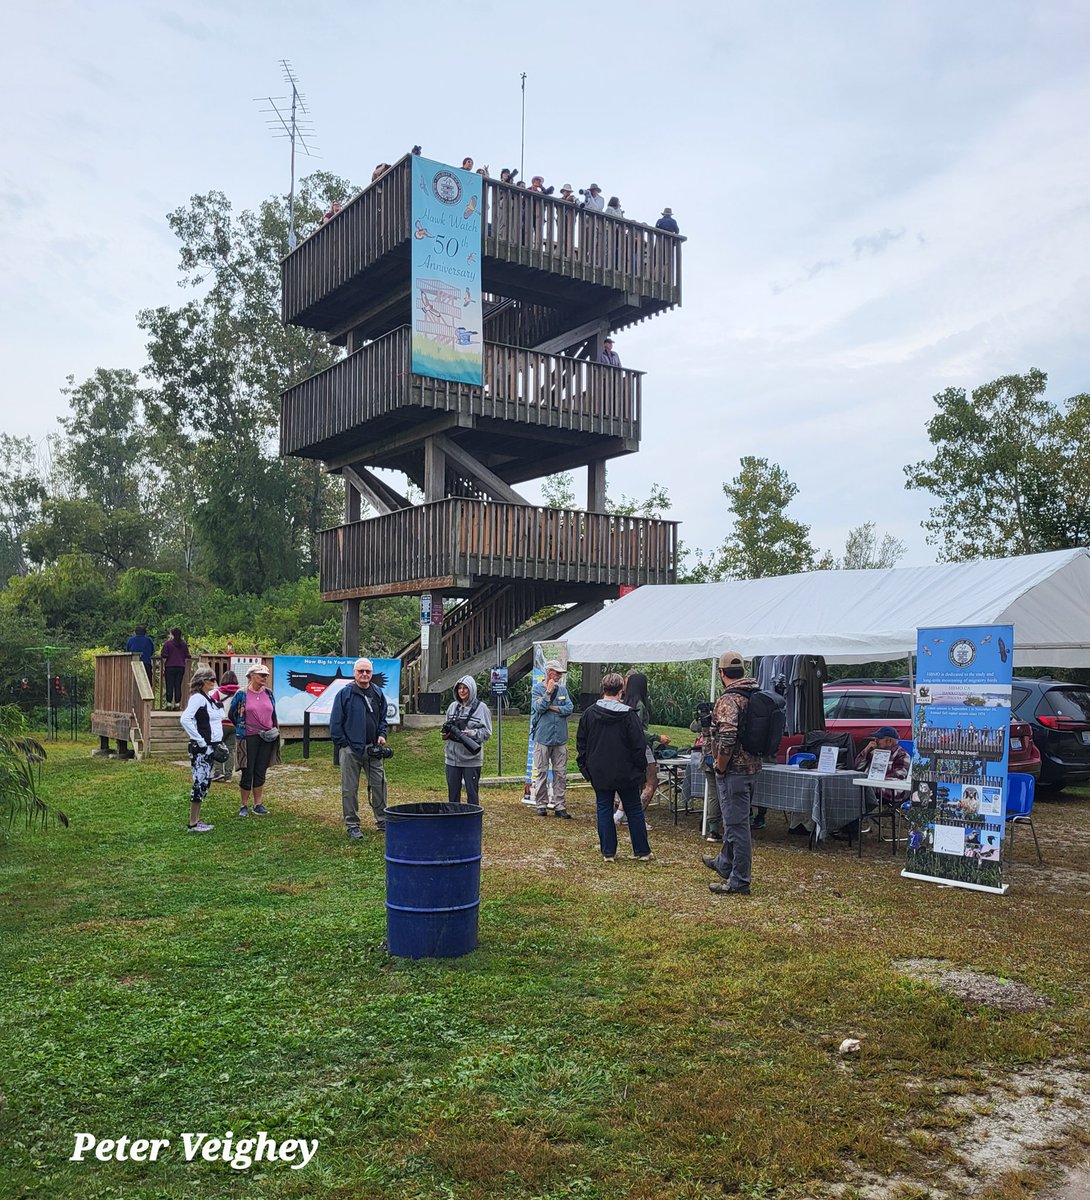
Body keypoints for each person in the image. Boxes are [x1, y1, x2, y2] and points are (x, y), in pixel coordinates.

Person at [701, 650, 761, 896]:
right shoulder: (753, 694)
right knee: (736, 820)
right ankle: (725, 862)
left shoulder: (729, 699)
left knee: (737, 825)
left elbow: (727, 737)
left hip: (734, 769)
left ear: (722, 672)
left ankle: (739, 880)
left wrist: (720, 765)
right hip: (752, 765)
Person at [577, 673, 653, 862]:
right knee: (634, 809)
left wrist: (585, 768)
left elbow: (581, 743)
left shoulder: (589, 714)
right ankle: (642, 851)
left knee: (603, 808)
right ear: (622, 690)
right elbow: (639, 745)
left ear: (603, 688)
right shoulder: (629, 715)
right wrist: (640, 768)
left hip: (599, 771)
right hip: (627, 771)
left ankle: (608, 852)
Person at [329, 658, 389, 839]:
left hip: (373, 749)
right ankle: (352, 824)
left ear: (372, 673)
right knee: (349, 788)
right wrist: (344, 744)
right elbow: (335, 722)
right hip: (350, 750)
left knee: (380, 785)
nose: (364, 674)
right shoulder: (344, 694)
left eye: (367, 671)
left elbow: (383, 718)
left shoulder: (377, 693)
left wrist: (382, 734)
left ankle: (383, 821)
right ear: (354, 673)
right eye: (360, 671)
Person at [837, 725, 912, 841]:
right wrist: (866, 751)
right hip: (872, 787)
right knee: (848, 790)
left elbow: (899, 776)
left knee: (856, 793)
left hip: (891, 791)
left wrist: (876, 779)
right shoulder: (874, 752)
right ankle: (846, 827)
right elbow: (857, 767)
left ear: (889, 741)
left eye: (879, 739)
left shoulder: (902, 755)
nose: (875, 741)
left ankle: (851, 830)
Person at [227, 665, 278, 818]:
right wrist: (242, 727)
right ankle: (243, 805)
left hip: (267, 737)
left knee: (261, 770)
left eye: (266, 675)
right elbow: (232, 713)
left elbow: (273, 713)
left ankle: (258, 804)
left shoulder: (269, 693)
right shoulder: (241, 694)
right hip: (248, 737)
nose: (264, 677)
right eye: (261, 675)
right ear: (251, 676)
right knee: (247, 770)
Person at [179, 667, 224, 834]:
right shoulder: (198, 698)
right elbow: (185, 719)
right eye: (211, 679)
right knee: (199, 782)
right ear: (203, 681)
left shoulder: (208, 698)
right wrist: (200, 740)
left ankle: (197, 819)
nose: (214, 682)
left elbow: (219, 716)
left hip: (210, 746)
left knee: (205, 782)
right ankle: (193, 823)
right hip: (202, 748)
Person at [531, 661, 574, 818]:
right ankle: (541, 804)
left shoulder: (563, 690)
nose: (559, 676)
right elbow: (539, 707)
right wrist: (548, 693)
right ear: (548, 672)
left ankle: (559, 805)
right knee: (542, 772)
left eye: (561, 673)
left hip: (560, 737)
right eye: (557, 672)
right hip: (542, 737)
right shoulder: (537, 689)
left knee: (560, 772)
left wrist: (553, 708)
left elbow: (569, 708)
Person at [442, 675, 492, 805]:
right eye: (459, 688)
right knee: (453, 794)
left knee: (472, 793)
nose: (462, 691)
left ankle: (473, 816)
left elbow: (487, 733)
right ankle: (453, 815)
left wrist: (470, 733)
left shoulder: (482, 708)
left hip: (471, 759)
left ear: (472, 689)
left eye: (465, 688)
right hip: (452, 758)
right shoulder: (452, 707)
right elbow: (446, 726)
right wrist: (446, 734)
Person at [210, 670, 240, 783]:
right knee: (231, 750)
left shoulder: (218, 692)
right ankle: (228, 775)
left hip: (220, 724)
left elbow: (211, 704)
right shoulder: (239, 692)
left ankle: (218, 772)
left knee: (217, 747)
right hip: (234, 724)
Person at [160, 629, 190, 710]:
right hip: (180, 667)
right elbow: (187, 656)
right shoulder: (183, 644)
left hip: (170, 666)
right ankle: (177, 704)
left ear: (172, 635)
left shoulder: (168, 644)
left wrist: (164, 666)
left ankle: (169, 704)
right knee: (178, 685)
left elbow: (164, 655)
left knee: (169, 685)